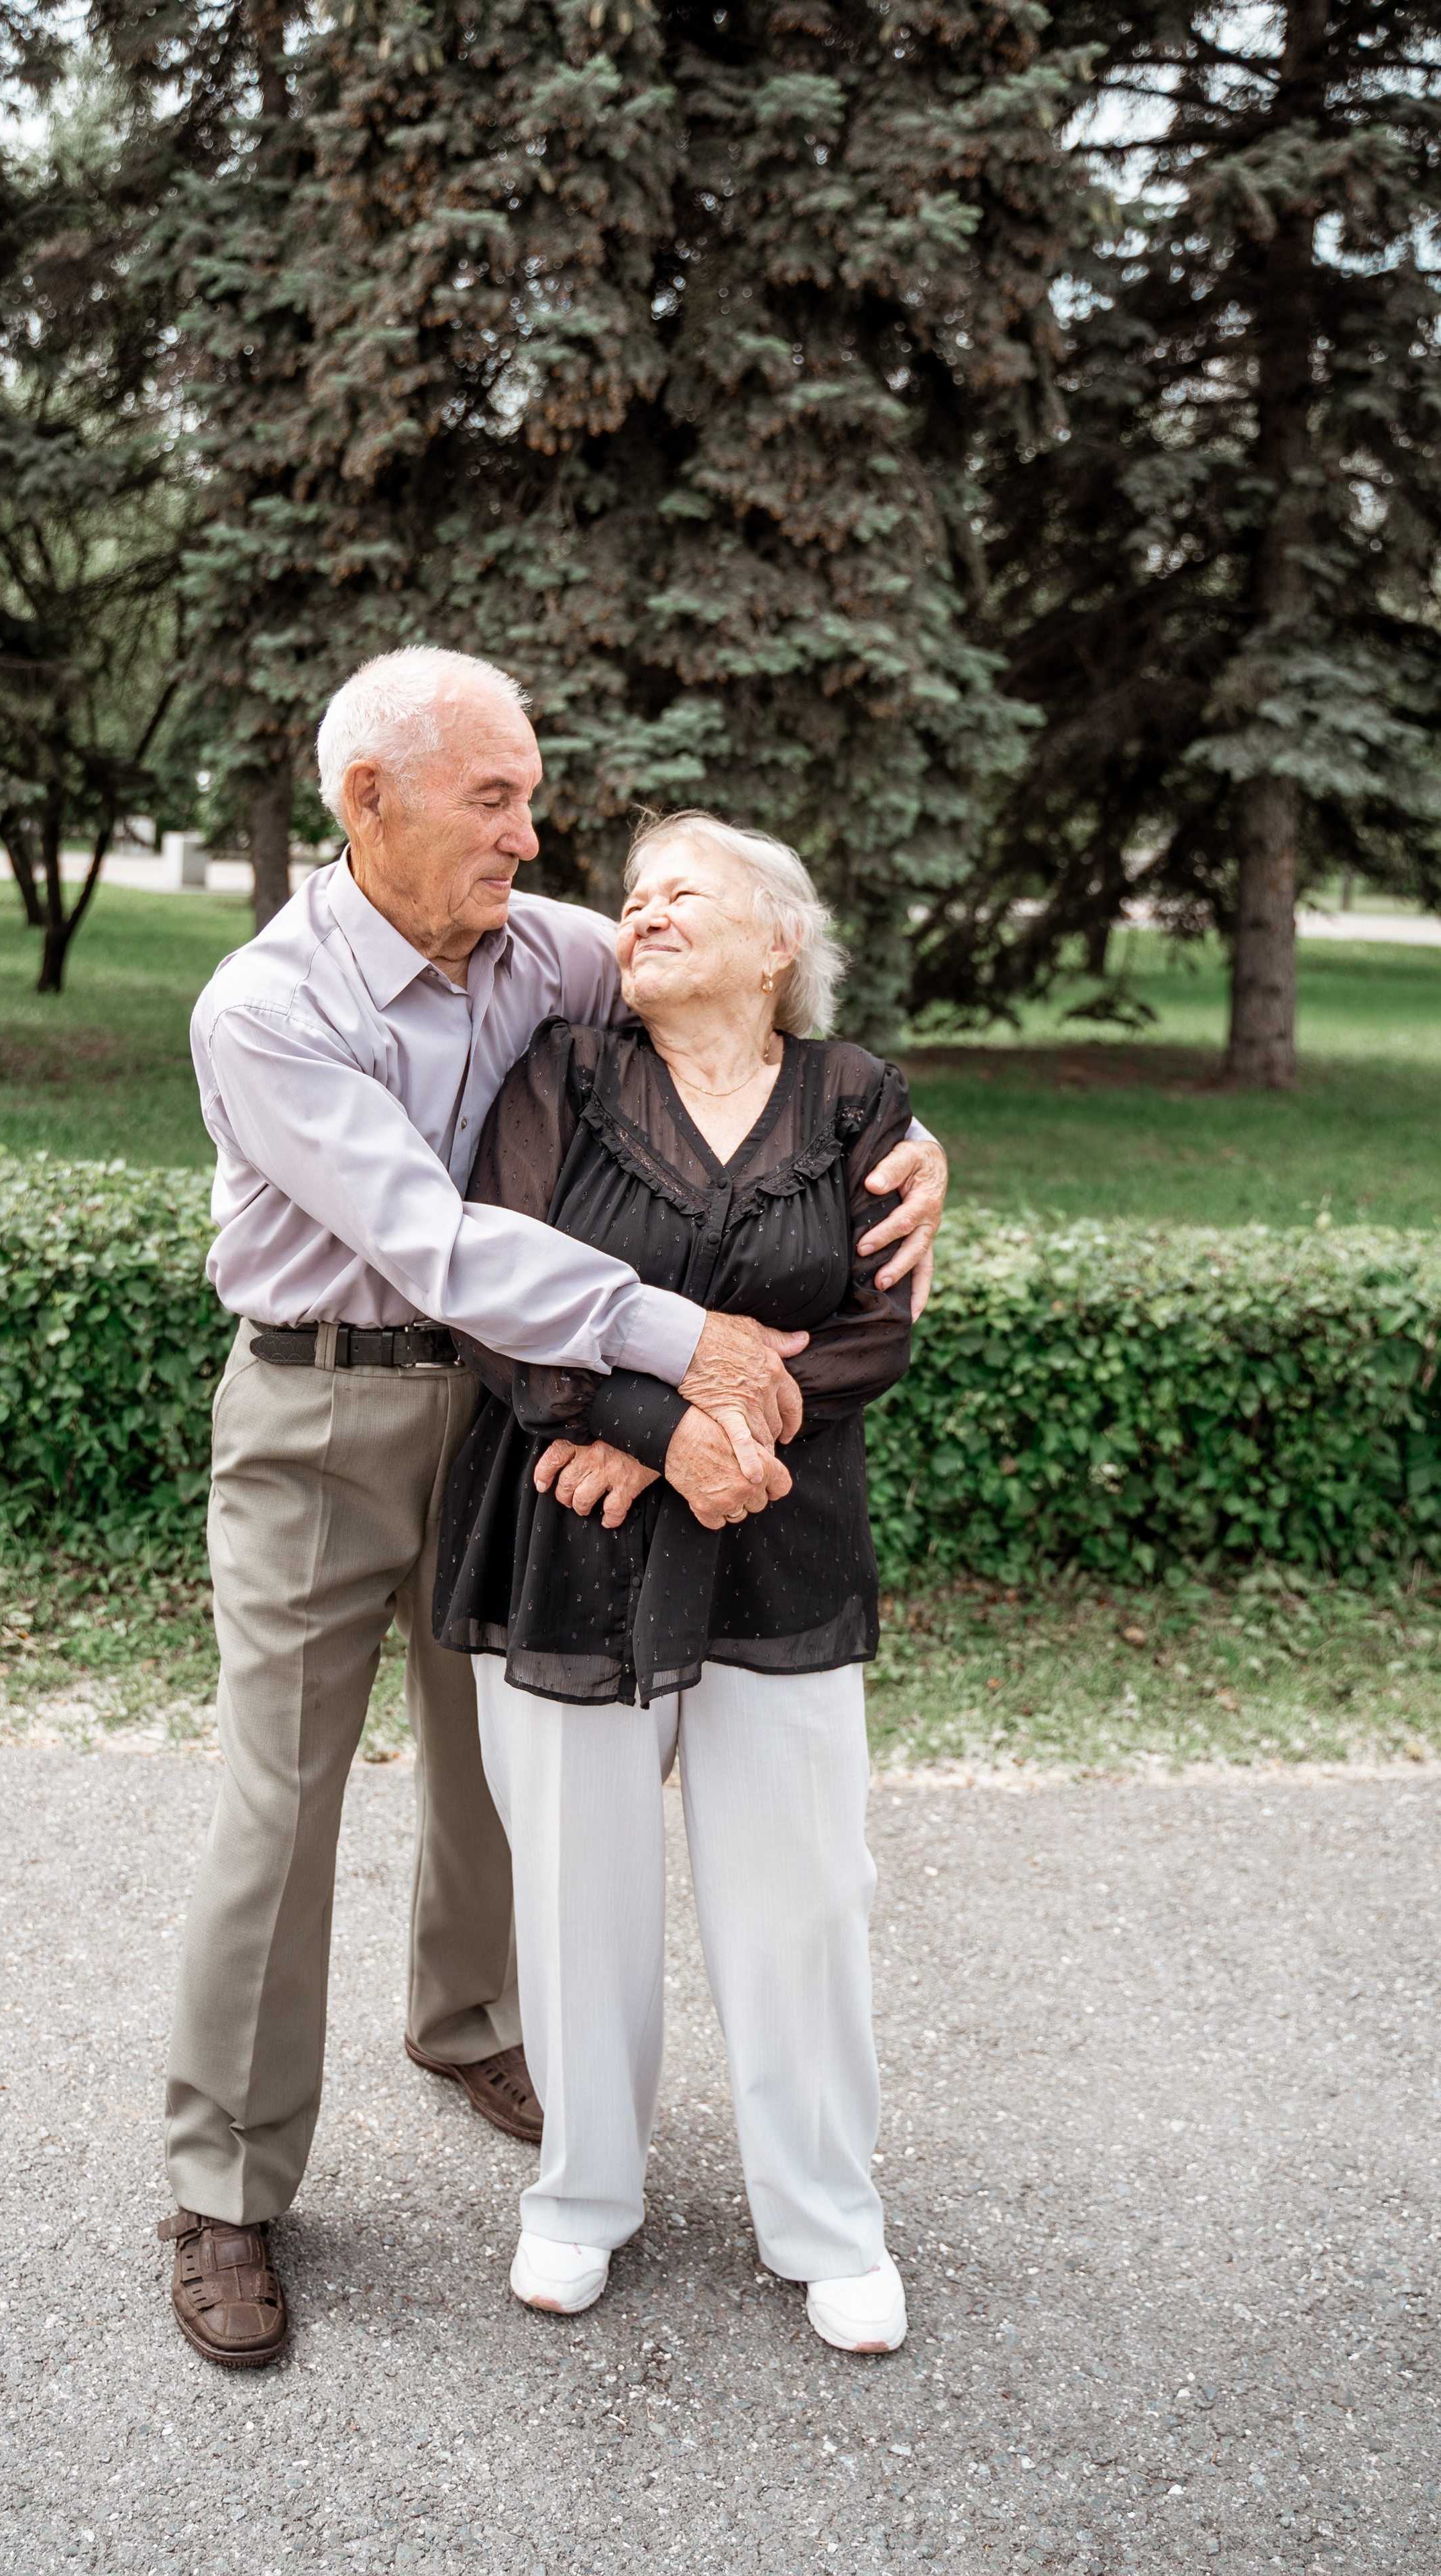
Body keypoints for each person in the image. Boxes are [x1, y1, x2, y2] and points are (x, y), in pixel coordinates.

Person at [160, 651, 948, 2367]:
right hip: (324, 1399)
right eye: (493, 798)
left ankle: (463, 2025)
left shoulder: (549, 940)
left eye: (532, 792)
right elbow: (430, 1244)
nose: (534, 832)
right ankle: (225, 2185)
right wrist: (686, 1355)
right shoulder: (267, 1004)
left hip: (512, 1412)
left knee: (494, 1771)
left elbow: (754, 996)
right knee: (279, 1806)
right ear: (367, 800)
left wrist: (914, 1150)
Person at [432, 811, 917, 2353]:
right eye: (629, 899)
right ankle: (579, 2200)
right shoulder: (563, 1078)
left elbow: (868, 1329)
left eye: (681, 894)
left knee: (801, 1896)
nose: (639, 915)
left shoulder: (854, 1098)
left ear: (778, 941)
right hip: (567, 1525)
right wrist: (649, 1421)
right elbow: (505, 1302)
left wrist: (670, 1445)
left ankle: (826, 2218)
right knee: (578, 1890)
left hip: (777, 1527)